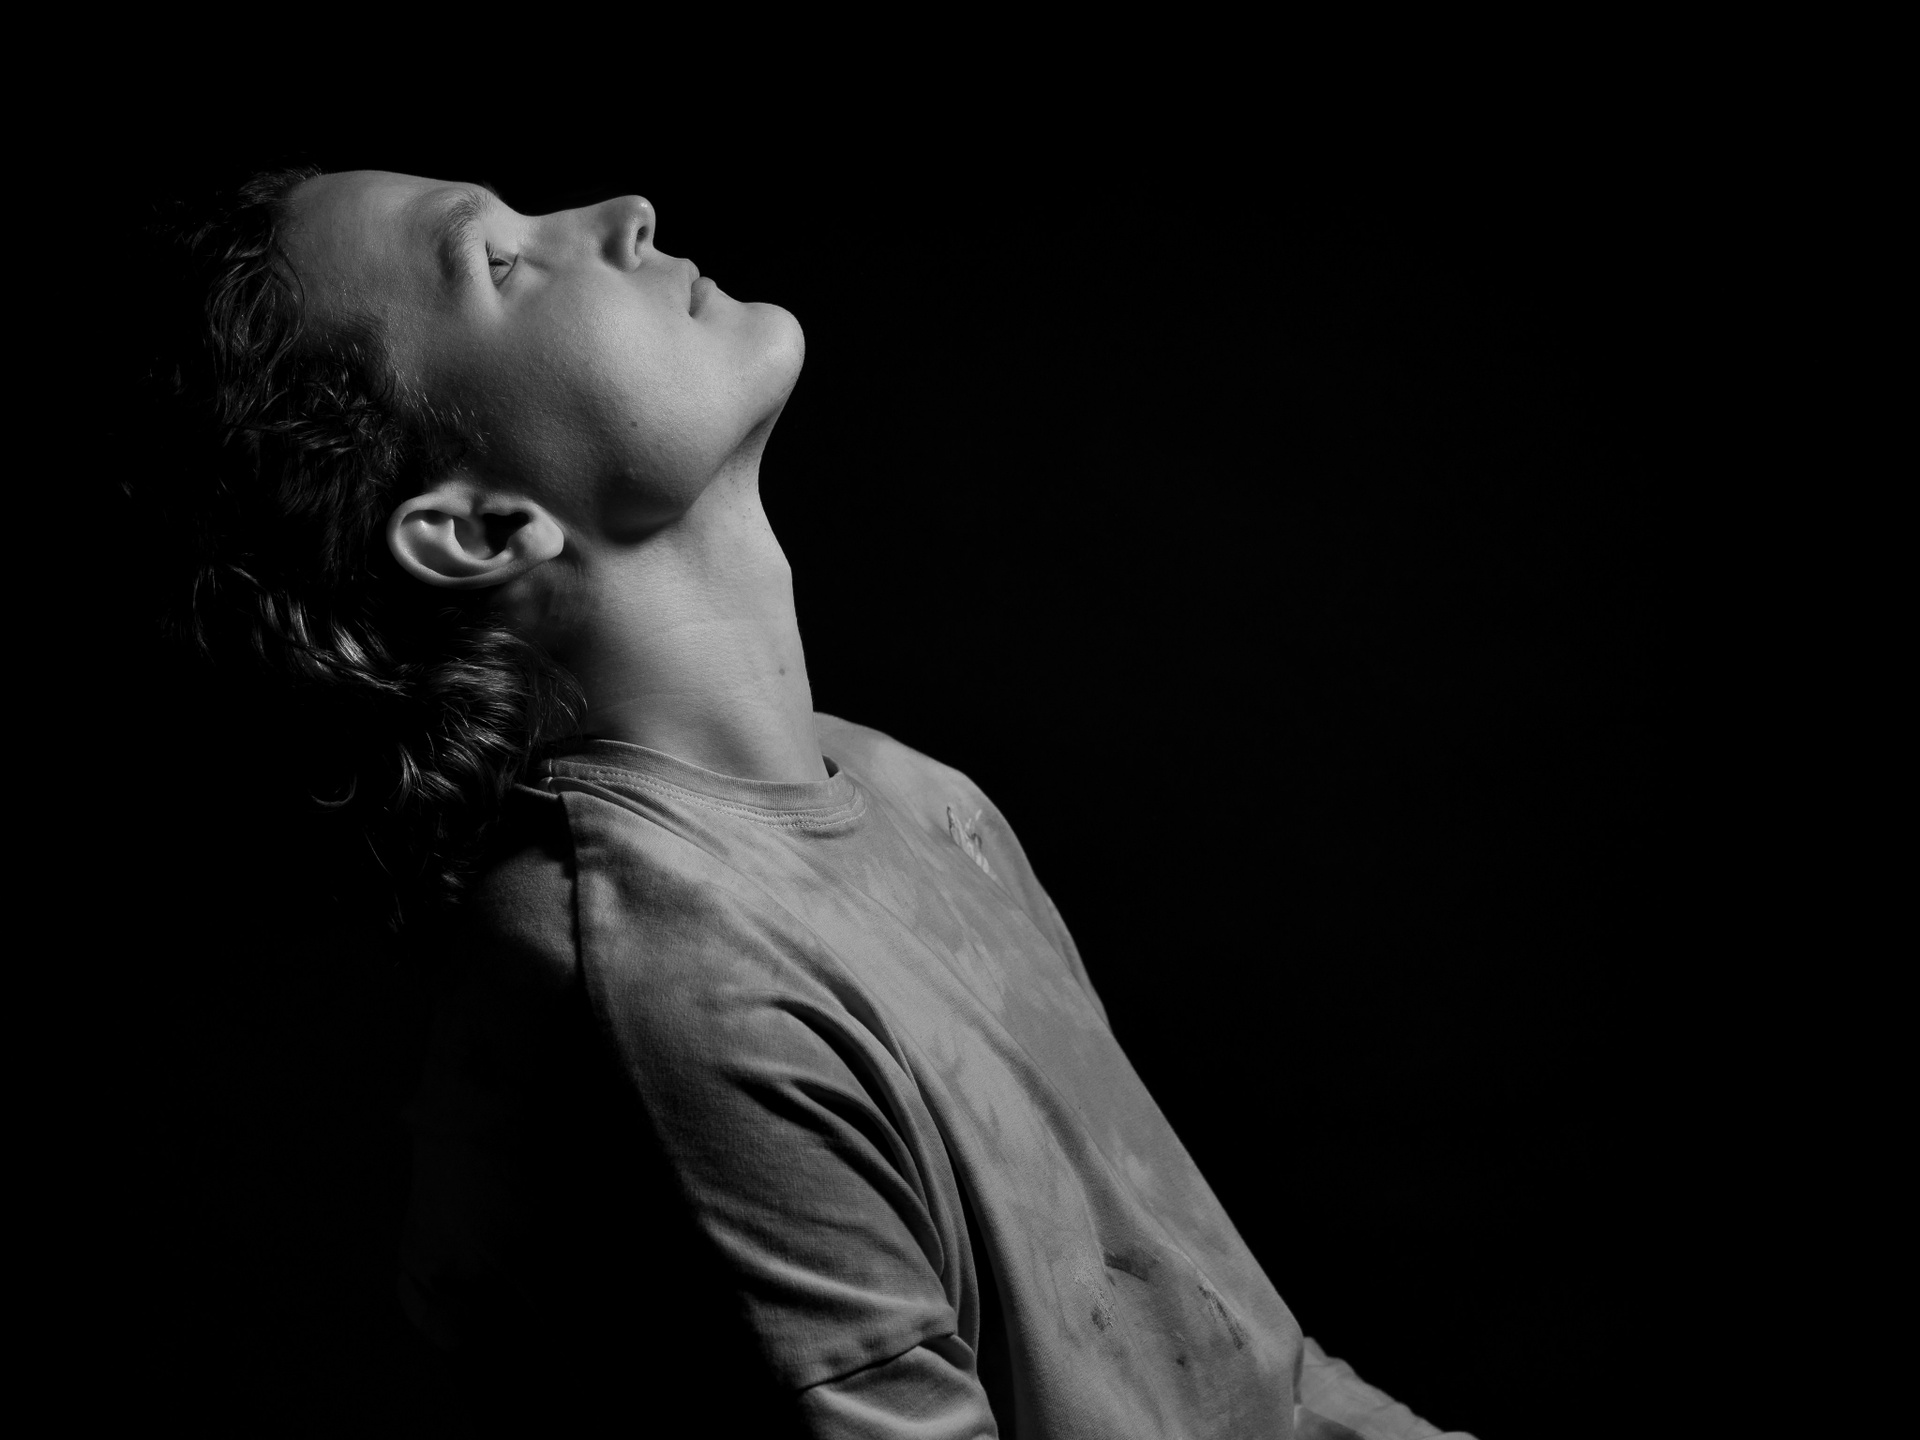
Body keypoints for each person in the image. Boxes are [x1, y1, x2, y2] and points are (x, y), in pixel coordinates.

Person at [142, 166, 1475, 1438]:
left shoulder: (912, 798)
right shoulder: (665, 983)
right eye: (499, 261)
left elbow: (1251, 1377)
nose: (623, 212)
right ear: (480, 526)